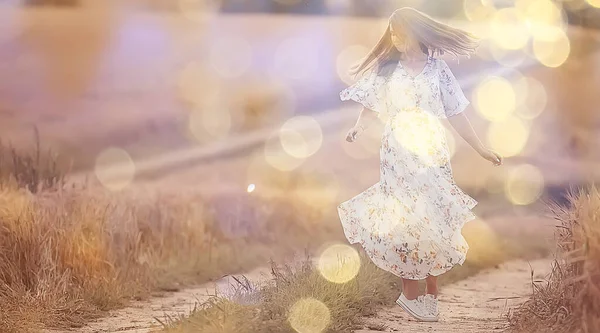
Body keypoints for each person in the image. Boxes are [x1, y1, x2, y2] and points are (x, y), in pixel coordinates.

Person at [337, 7, 503, 322]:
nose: (395, 38)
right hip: (397, 153)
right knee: (404, 220)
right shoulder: (387, 70)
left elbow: (456, 113)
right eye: (391, 34)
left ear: (416, 33)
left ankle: (430, 297)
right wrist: (359, 128)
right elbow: (370, 107)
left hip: (431, 151)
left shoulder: (437, 70)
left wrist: (481, 149)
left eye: (400, 32)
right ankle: (411, 296)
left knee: (433, 218)